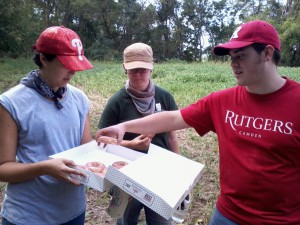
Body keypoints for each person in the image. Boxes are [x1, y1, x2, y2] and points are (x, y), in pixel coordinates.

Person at [95, 20, 300, 225]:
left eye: (241, 56)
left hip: (283, 219)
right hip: (228, 215)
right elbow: (174, 118)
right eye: (231, 58)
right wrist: (123, 127)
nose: (233, 64)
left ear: (267, 53)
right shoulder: (222, 101)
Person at [0, 26, 93, 225]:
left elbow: (87, 152)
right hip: (29, 217)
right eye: (66, 64)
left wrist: (110, 147)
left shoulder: (79, 99)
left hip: (73, 212)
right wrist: (44, 168)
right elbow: (3, 168)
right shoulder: (11, 103)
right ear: (43, 59)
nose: (73, 71)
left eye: (76, 64)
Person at [98, 42, 179, 225]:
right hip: (127, 175)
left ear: (151, 69)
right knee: (126, 220)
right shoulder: (117, 102)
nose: (138, 75)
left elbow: (172, 136)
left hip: (160, 173)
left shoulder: (165, 97)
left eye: (143, 69)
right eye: (133, 70)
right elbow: (101, 140)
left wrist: (177, 170)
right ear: (124, 69)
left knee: (161, 220)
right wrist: (130, 145)